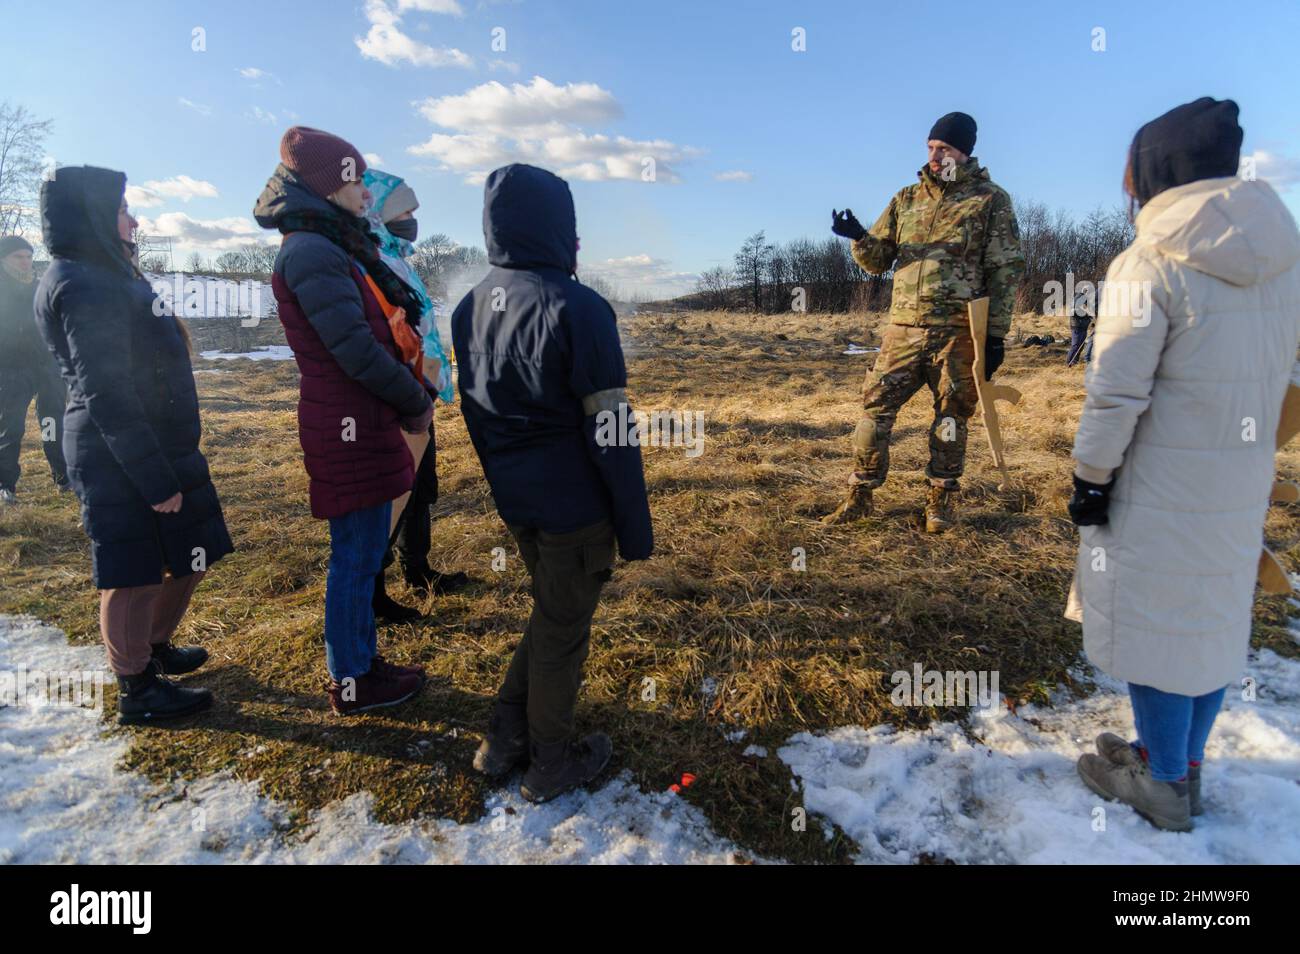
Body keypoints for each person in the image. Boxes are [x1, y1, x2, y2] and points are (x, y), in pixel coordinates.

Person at [1066, 98, 1300, 831]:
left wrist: (1090, 479)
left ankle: (1162, 785)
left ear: (1155, 170)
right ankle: (1181, 765)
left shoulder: (1151, 260)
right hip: (1238, 475)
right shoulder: (1280, 261)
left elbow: (1115, 392)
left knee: (1154, 624)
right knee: (1207, 620)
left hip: (1159, 478)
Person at [453, 163, 653, 803]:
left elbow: (476, 418)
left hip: (519, 503)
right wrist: (636, 527)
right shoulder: (581, 308)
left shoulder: (468, 307)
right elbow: (613, 432)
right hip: (576, 510)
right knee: (563, 632)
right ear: (558, 232)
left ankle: (503, 740)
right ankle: (550, 764)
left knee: (552, 615)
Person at [34, 166, 234, 724]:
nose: (135, 219)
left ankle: (153, 646)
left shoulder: (109, 272)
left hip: (160, 444)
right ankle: (136, 687)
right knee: (134, 569)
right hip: (116, 453)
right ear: (94, 216)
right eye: (123, 210)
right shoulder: (81, 283)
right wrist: (152, 474)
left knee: (189, 554)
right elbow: (106, 390)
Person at [254, 127, 434, 715]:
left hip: (356, 416)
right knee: (356, 555)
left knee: (359, 552)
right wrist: (412, 399)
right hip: (348, 421)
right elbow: (353, 350)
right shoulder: (312, 251)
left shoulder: (329, 244)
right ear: (329, 187)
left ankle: (358, 661)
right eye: (356, 182)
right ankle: (352, 680)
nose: (365, 195)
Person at [826, 111, 1025, 532]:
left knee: (951, 416)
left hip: (958, 331)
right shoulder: (906, 199)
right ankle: (860, 495)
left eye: (944, 148)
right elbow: (877, 262)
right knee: (874, 411)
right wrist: (859, 236)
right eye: (931, 148)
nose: (935, 156)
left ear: (964, 152)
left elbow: (1005, 269)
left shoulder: (990, 200)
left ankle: (940, 503)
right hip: (903, 329)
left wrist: (994, 336)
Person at [360, 168, 469, 625]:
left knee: (421, 487)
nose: (411, 218)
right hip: (393, 397)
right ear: (378, 211)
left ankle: (418, 569)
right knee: (391, 494)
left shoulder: (398, 258)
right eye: (403, 209)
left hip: (417, 391)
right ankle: (373, 591)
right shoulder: (368, 261)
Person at [0, 234, 69, 502]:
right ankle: (6, 484)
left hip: (47, 369)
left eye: (28, 257)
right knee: (11, 427)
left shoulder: (41, 288)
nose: (25, 262)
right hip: (11, 370)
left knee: (52, 422)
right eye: (18, 257)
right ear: (4, 259)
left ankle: (62, 477)